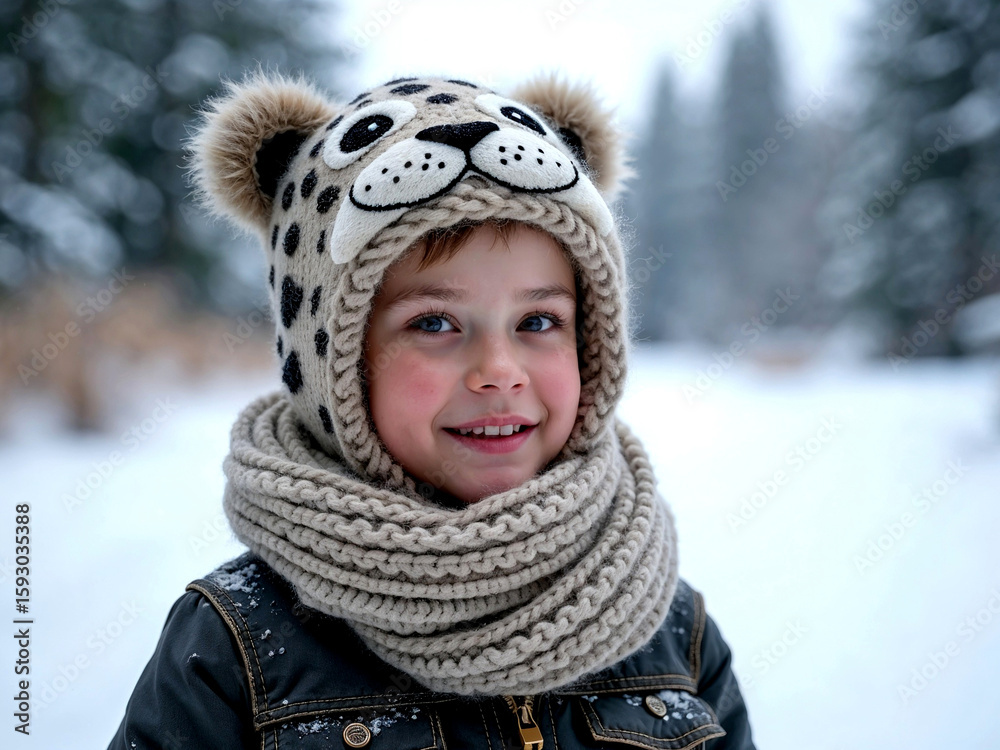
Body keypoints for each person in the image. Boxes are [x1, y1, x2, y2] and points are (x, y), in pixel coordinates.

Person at [107, 68, 756, 749]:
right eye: (436, 324)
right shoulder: (235, 644)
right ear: (335, 365)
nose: (499, 373)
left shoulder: (669, 626)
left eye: (538, 322)